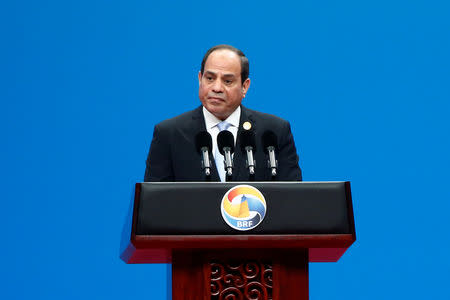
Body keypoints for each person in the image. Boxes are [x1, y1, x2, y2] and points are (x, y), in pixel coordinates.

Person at [144, 44, 302, 182]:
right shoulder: (169, 134)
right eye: (210, 78)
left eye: (227, 81)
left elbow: (292, 200)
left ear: (244, 86)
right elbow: (155, 204)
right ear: (200, 79)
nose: (217, 88)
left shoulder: (274, 132)